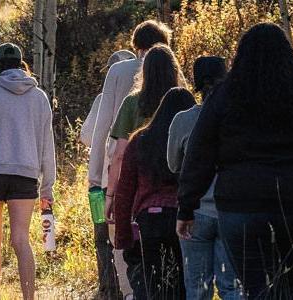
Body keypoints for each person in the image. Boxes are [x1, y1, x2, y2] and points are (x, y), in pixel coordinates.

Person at [176, 23, 293, 299]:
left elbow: (200, 154)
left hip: (241, 208)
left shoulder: (224, 98)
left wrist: (187, 207)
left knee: (257, 289)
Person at [86, 22, 172, 299]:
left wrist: (95, 174)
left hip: (123, 168)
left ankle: (131, 292)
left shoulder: (119, 71)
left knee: (124, 235)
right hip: (167, 170)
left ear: (136, 46)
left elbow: (102, 125)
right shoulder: (173, 70)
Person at [0, 43, 57, 300]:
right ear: (21, 64)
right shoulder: (39, 97)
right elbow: (46, 144)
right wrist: (47, 187)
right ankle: (29, 297)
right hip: (26, 174)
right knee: (21, 239)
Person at [108, 43, 184, 299]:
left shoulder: (133, 106)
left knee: (150, 278)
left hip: (146, 207)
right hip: (184, 209)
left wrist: (111, 198)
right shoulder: (184, 102)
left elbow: (119, 155)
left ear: (145, 71)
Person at [168, 56, 239, 300]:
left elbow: (173, 164)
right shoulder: (238, 118)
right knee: (232, 287)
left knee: (198, 288)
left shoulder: (183, 120)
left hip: (194, 212)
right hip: (232, 210)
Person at [77, 49, 137, 300]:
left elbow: (86, 136)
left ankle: (108, 290)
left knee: (102, 237)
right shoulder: (145, 96)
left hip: (100, 183)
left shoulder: (102, 100)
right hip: (125, 182)